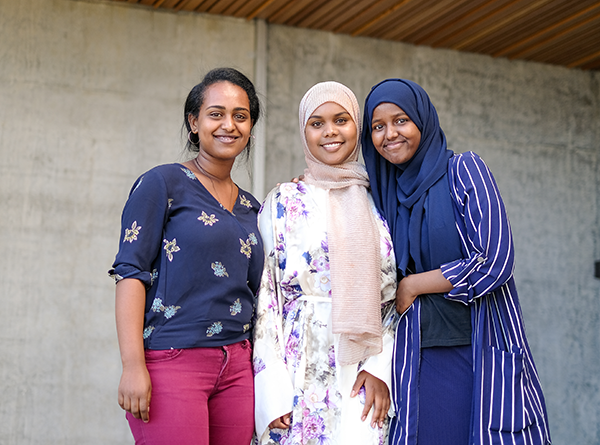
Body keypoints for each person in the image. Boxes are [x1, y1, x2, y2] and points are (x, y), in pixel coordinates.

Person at [361, 78, 551, 445]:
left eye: (400, 120)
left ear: (422, 120)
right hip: (417, 356)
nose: (389, 134)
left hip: (477, 349)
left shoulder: (464, 171)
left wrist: (413, 283)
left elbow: (496, 260)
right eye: (378, 126)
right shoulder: (384, 194)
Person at [109, 67, 264, 445]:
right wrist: (132, 365)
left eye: (240, 116)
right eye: (216, 114)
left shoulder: (253, 208)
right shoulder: (162, 183)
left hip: (239, 367)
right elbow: (131, 273)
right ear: (194, 122)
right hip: (173, 360)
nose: (229, 125)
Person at [253, 81, 398, 445]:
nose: (330, 132)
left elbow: (396, 299)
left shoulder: (382, 201)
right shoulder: (283, 200)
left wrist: (382, 371)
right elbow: (266, 299)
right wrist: (271, 391)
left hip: (365, 368)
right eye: (317, 123)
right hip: (299, 367)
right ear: (304, 131)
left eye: (341, 120)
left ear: (357, 128)